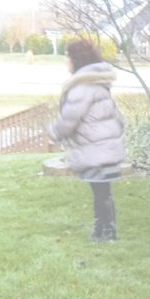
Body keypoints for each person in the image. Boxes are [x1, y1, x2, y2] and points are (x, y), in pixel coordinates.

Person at [49, 38, 125, 242]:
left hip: (96, 149)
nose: (66, 60)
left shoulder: (82, 87)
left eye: (67, 56)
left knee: (100, 191)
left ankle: (107, 232)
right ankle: (102, 229)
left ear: (76, 59)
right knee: (102, 190)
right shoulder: (98, 84)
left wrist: (53, 132)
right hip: (105, 147)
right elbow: (118, 118)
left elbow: (69, 119)